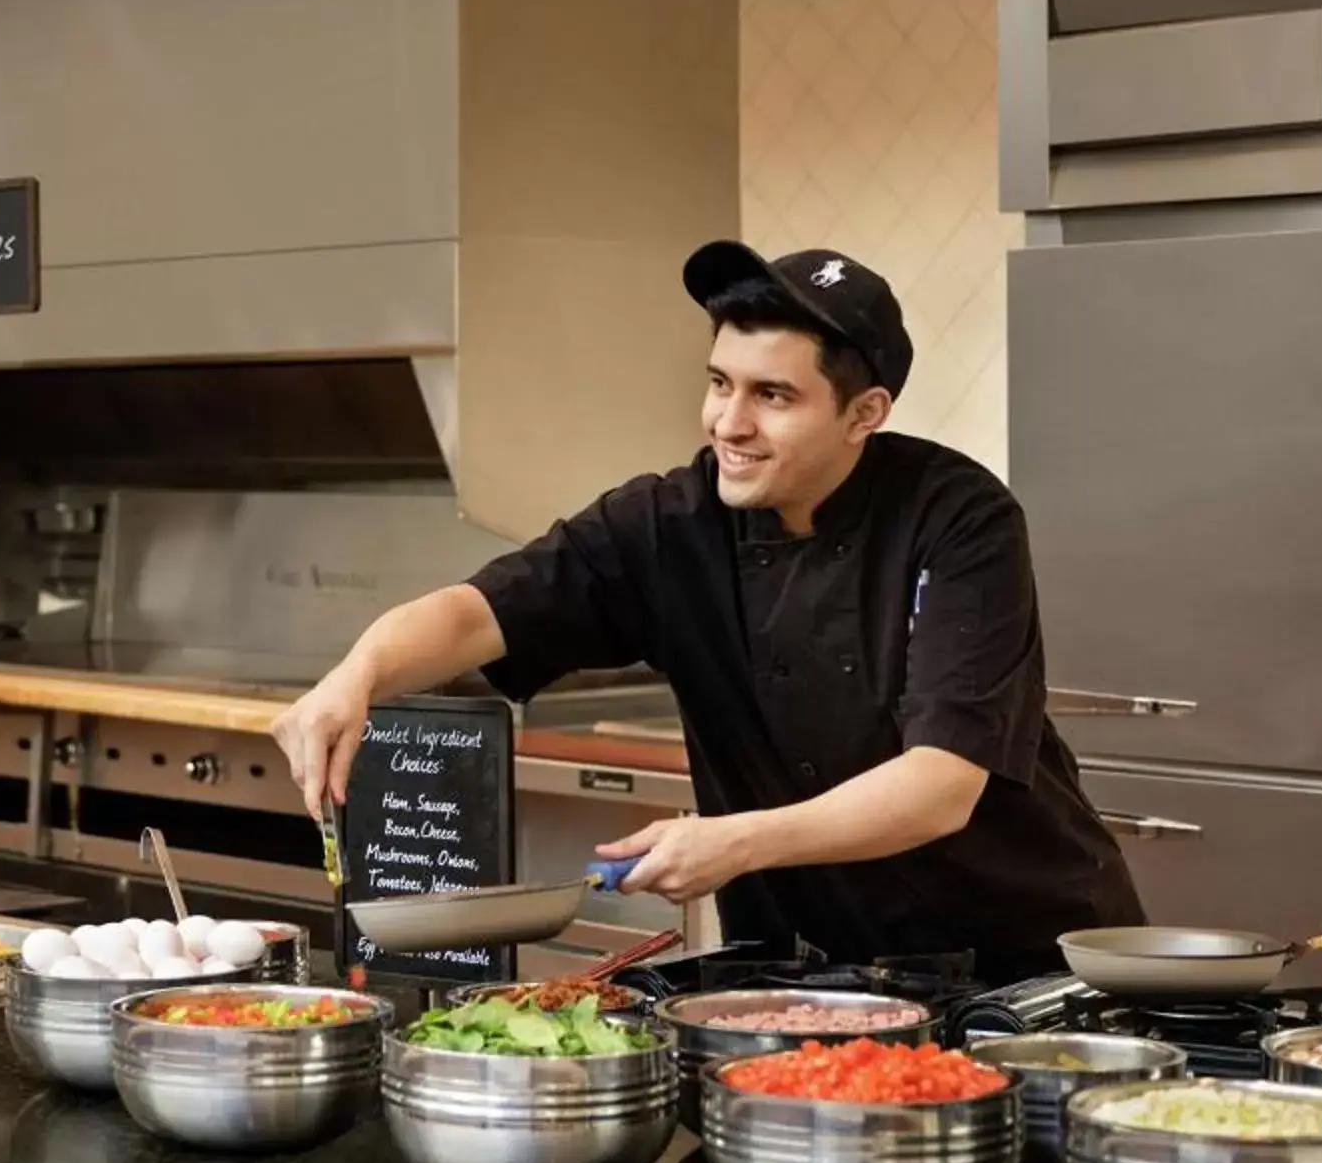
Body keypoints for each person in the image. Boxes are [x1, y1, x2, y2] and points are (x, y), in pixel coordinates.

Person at [270, 240, 1141, 984]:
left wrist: (734, 842)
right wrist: (358, 675)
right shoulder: (669, 522)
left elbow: (940, 788)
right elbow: (477, 613)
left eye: (773, 395)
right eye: (720, 382)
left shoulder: (958, 519)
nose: (729, 421)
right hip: (808, 972)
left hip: (1011, 962)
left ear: (863, 414)